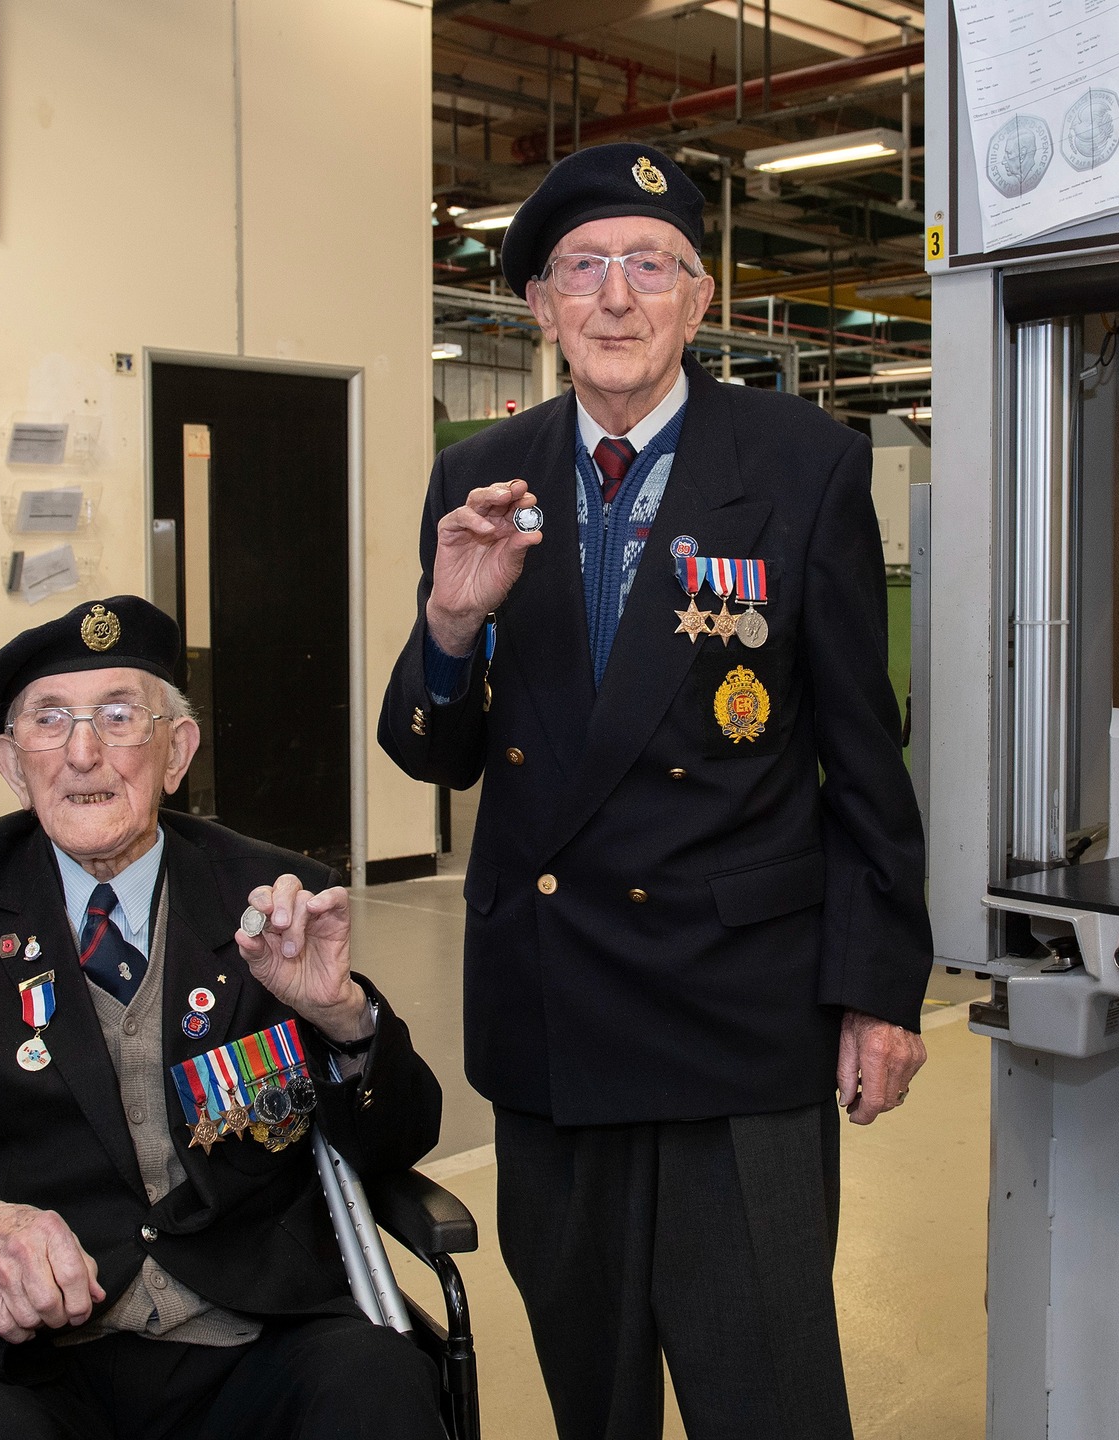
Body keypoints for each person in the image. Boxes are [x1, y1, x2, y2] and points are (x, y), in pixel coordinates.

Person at [379, 143, 934, 1440]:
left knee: (770, 1398)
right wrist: (450, 629)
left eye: (649, 265)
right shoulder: (481, 476)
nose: (615, 296)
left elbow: (863, 753)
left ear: (699, 298)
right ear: (539, 309)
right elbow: (431, 752)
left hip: (737, 1017)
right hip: (552, 1010)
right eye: (583, 268)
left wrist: (878, 987)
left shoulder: (801, 464)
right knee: (595, 1396)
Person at [0, 596, 445, 1440]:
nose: (84, 753)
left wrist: (341, 1017)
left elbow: (398, 1139)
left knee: (378, 1389)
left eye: (119, 717)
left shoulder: (268, 893)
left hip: (259, 1330)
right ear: (11, 762)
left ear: (175, 750)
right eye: (51, 721)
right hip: (35, 1360)